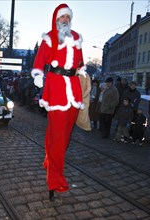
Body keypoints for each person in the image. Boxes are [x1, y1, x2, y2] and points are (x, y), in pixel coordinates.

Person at [31, 3, 87, 201]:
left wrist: (82, 71)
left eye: (67, 18)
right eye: (62, 17)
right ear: (56, 19)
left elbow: (79, 62)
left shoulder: (77, 38)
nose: (65, 20)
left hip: (73, 89)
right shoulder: (50, 37)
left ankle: (50, 157)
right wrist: (37, 73)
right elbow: (39, 59)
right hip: (56, 89)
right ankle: (56, 180)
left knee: (65, 137)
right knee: (57, 136)